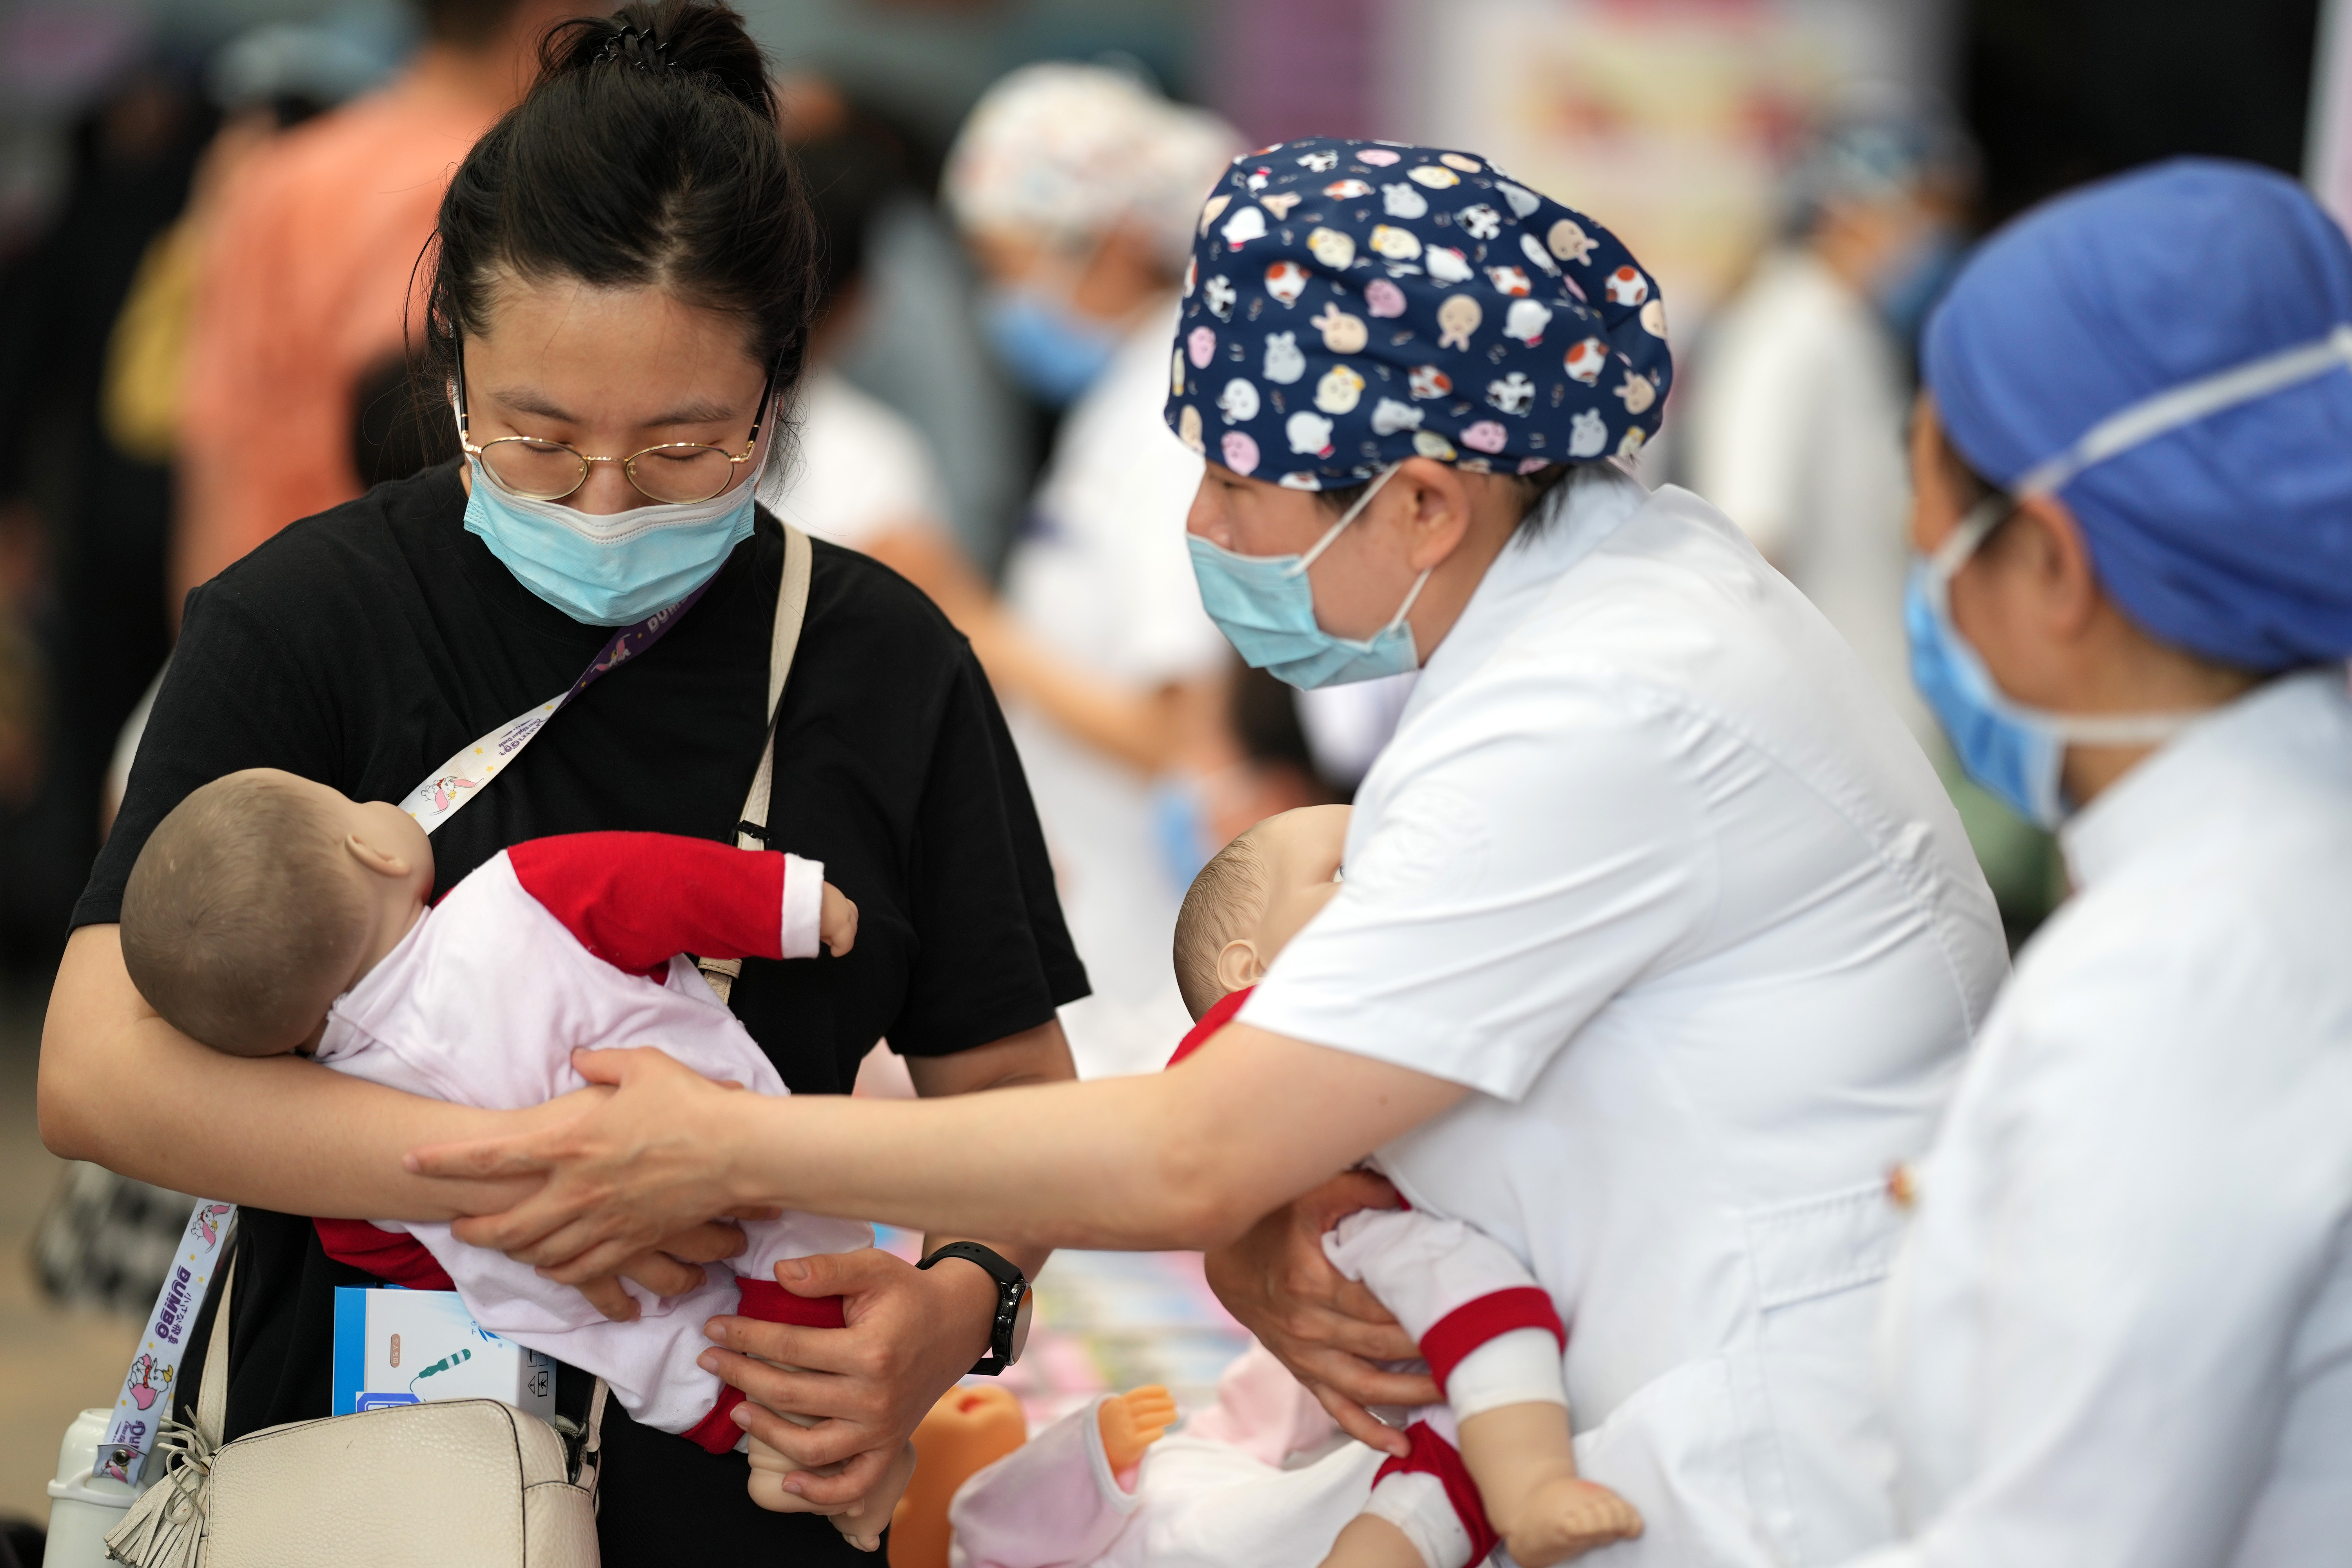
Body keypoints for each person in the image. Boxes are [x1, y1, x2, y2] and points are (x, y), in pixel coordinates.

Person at [410, 137, 2011, 1567]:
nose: (1208, 531)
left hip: (1752, 1447)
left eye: (1242, 484)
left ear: (1428, 507)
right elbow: (1259, 1145)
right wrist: (1264, 1227)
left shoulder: (1600, 704)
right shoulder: (1583, 633)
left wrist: (737, 1147)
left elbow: (1193, 1150)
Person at [38, 5, 1086, 1559]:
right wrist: (537, 1177)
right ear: (452, 356)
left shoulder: (880, 664)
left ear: (783, 392)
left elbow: (1014, 1102)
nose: (603, 503)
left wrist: (954, 1306)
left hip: (746, 1494)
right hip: (365, 1494)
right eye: (537, 437)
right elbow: (98, 1067)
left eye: (681, 448)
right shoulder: (308, 620)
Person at [1852, 159, 2352, 1565]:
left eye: (1929, 488)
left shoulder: (2191, 971)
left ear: (2055, 568)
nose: (1917, 550)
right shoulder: (2268, 872)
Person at [114, 770, 913, 1550]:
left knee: (674, 1361)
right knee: (807, 1248)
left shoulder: (337, 1123)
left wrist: (494, 1260)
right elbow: (661, 885)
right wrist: (796, 905)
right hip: (716, 1140)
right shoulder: (513, 899)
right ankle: (824, 1448)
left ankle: (778, 1447)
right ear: (380, 849)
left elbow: (379, 1250)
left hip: (597, 1301)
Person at [1172, 807, 1642, 1568]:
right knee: (1490, 1305)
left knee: (1444, 1463)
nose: (1388, 877)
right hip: (1378, 1236)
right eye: (1345, 869)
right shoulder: (1257, 1024)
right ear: (1248, 968)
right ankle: (1534, 1487)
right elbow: (1189, 1137)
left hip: (1409, 1257)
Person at [942, 63, 1243, 1079]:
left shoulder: (1170, 416)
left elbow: (1182, 729)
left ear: (1112, 240)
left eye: (1011, 263)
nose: (1002, 301)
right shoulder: (1128, 395)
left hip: (1145, 956)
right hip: (1102, 931)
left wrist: (966, 620)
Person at [173, 0, 575, 602]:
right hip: (386, 622)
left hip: (248, 598)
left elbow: (212, 434)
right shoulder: (502, 185)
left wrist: (201, 633)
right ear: (550, 15)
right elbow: (432, 457)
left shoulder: (278, 175)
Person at [1684, 107, 1973, 746]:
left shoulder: (1844, 329)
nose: (1939, 234)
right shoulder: (1785, 332)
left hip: (1876, 727)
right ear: (1850, 206)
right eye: (1928, 208)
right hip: (1827, 740)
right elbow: (1750, 541)